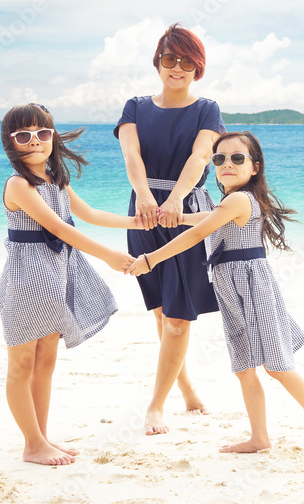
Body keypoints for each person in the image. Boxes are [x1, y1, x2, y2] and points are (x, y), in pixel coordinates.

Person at [128, 131, 304, 452]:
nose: (227, 164)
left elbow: (198, 233)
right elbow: (206, 218)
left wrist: (151, 259)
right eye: (219, 158)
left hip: (251, 286)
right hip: (232, 287)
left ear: (255, 167)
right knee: (244, 367)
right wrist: (172, 217)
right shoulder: (230, 202)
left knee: (275, 364)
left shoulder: (238, 199)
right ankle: (259, 437)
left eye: (238, 158)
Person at [0, 103, 136, 466]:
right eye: (23, 136)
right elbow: (59, 228)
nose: (35, 142)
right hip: (28, 278)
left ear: (52, 135)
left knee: (46, 361)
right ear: (11, 142)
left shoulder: (57, 180)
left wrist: (140, 223)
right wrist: (108, 256)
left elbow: (91, 215)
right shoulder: (18, 184)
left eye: (42, 133)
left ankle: (41, 438)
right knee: (22, 363)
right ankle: (32, 444)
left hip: (56, 276)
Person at [114, 23, 226, 435]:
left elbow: (200, 157)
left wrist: (177, 198)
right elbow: (132, 155)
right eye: (168, 59)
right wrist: (144, 194)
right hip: (143, 214)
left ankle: (156, 406)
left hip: (187, 215)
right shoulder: (136, 107)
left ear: (197, 67)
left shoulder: (207, 109)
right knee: (162, 313)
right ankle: (188, 390)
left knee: (179, 318)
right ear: (157, 63)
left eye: (186, 61)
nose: (176, 67)